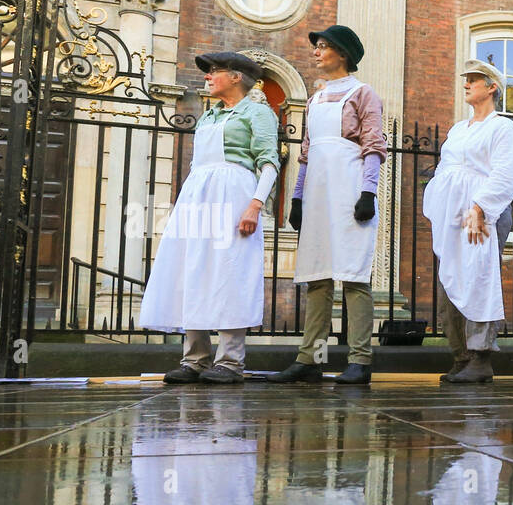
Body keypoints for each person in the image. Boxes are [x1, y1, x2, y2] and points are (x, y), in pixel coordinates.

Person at [140, 52, 279, 384]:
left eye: (215, 71)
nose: (207, 76)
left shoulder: (257, 112)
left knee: (231, 271)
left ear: (235, 77)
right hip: (198, 194)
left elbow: (269, 161)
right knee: (193, 269)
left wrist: (255, 205)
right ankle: (195, 359)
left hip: (235, 193)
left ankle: (230, 361)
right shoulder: (208, 116)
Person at [270, 25, 387, 385]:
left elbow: (373, 146)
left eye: (323, 47)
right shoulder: (315, 98)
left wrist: (368, 192)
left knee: (353, 275)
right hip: (319, 191)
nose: (317, 52)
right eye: (317, 46)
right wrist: (298, 197)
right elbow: (305, 154)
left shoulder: (362, 93)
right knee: (317, 277)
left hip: (349, 188)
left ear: (343, 54)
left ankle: (360, 360)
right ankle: (310, 359)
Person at [422, 59, 513, 385]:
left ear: (492, 87)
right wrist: (439, 204)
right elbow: (445, 171)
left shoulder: (502, 127)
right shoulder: (457, 130)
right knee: (450, 279)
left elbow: (504, 176)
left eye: (474, 79)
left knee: (478, 276)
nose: (466, 84)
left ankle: (481, 357)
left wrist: (479, 208)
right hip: (451, 214)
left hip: (482, 213)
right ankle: (461, 356)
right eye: (466, 79)